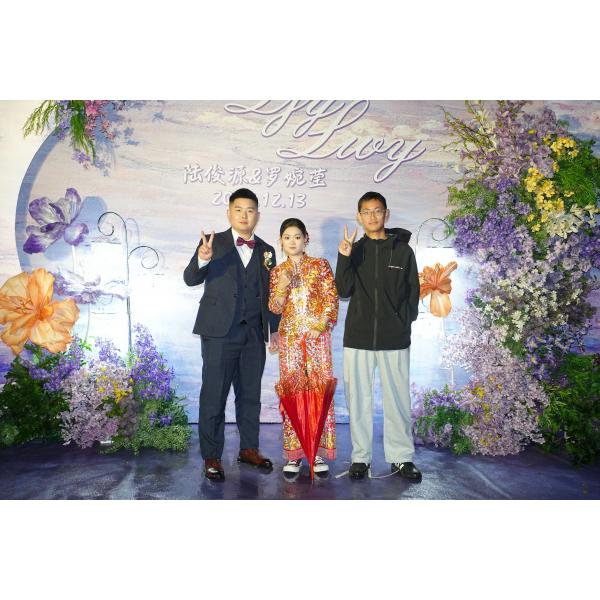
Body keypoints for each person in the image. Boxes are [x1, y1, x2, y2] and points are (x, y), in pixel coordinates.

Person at [183, 188, 280, 481]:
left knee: (250, 395)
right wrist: (202, 258)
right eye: (238, 210)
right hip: (218, 333)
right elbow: (190, 278)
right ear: (229, 213)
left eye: (250, 210)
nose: (244, 215)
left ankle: (249, 449)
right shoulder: (212, 243)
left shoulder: (267, 251)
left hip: (253, 334)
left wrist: (274, 329)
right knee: (214, 394)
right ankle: (212, 455)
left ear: (258, 215)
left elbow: (272, 294)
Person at [335, 191, 422, 481]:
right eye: (366, 212)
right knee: (358, 400)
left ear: (386, 214)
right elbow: (343, 290)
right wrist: (344, 256)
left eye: (377, 211)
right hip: (357, 338)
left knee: (397, 400)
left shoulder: (403, 251)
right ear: (359, 217)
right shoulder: (355, 250)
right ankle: (360, 458)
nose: (372, 216)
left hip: (394, 338)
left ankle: (401, 457)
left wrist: (403, 322)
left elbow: (412, 291)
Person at [268, 218, 338, 479]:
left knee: (319, 392)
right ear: (281, 241)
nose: (292, 241)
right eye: (287, 237)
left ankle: (317, 451)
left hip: (317, 339)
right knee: (293, 393)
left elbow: (331, 298)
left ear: (306, 239)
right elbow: (274, 308)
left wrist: (320, 325)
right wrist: (282, 287)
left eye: (297, 236)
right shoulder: (277, 272)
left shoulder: (320, 266)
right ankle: (294, 454)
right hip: (290, 341)